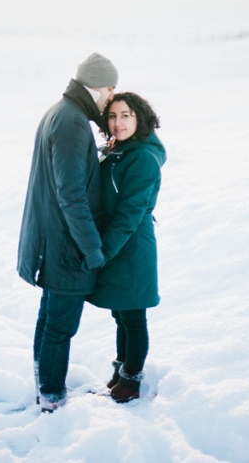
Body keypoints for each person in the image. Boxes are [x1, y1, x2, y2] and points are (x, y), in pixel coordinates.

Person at [17, 52, 118, 412]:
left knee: (49, 320)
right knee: (60, 327)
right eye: (110, 90)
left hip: (53, 240)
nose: (111, 99)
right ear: (100, 87)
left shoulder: (59, 112)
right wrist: (92, 250)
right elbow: (71, 194)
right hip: (65, 246)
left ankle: (45, 390)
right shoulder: (73, 122)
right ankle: (53, 400)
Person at [86, 91, 165, 403]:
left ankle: (131, 381)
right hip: (115, 244)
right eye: (113, 116)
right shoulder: (115, 150)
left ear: (140, 118)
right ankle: (121, 371)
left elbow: (130, 213)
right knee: (120, 315)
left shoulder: (143, 157)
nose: (119, 122)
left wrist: (104, 251)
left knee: (133, 318)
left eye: (126, 115)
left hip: (131, 247)